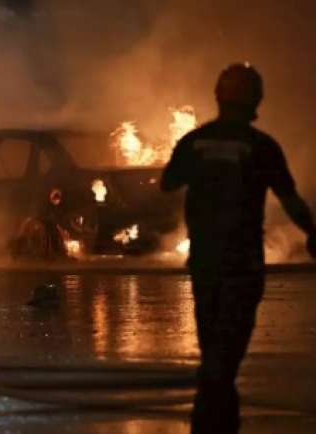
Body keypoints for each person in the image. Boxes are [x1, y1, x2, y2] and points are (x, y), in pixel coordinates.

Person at [161, 63, 316, 434]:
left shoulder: (194, 142)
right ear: (256, 101)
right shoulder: (261, 147)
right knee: (226, 358)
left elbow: (168, 183)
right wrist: (313, 232)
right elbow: (290, 198)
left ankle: (210, 418)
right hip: (243, 266)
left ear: (218, 97)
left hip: (205, 264)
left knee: (212, 347)